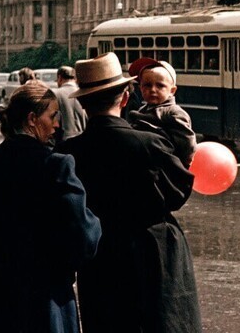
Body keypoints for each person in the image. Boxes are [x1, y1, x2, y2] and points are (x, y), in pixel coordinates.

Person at [56, 53, 201, 333]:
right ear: (125, 97)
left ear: (83, 103)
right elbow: (177, 194)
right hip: (154, 254)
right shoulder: (150, 144)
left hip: (100, 258)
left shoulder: (68, 153)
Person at [0, 82, 101, 332]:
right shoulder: (57, 167)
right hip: (44, 304)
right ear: (32, 119)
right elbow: (84, 238)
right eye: (53, 116)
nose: (57, 125)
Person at [127, 57, 196, 167]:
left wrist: (180, 168)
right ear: (140, 88)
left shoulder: (174, 113)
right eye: (147, 85)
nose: (153, 90)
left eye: (160, 85)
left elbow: (187, 145)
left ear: (172, 91)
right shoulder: (141, 110)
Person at [54, 66, 86, 143]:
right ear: (75, 78)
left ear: (59, 77)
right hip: (84, 141)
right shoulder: (85, 93)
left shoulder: (55, 94)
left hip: (64, 142)